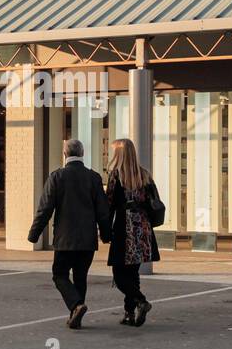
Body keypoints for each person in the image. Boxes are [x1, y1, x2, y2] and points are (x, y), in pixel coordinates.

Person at [27, 138, 111, 329]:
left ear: (65, 154)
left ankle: (76, 306)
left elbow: (45, 209)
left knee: (59, 274)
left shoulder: (57, 177)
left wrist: (34, 234)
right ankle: (76, 313)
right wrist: (106, 235)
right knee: (81, 276)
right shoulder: (94, 178)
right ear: (82, 154)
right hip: (88, 239)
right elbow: (102, 211)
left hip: (65, 239)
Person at [104, 138, 162, 327]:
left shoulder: (116, 176)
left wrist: (104, 230)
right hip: (143, 228)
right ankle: (129, 313)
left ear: (119, 154)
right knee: (132, 272)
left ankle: (141, 301)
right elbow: (154, 201)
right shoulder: (144, 175)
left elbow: (109, 205)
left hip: (125, 228)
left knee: (119, 275)